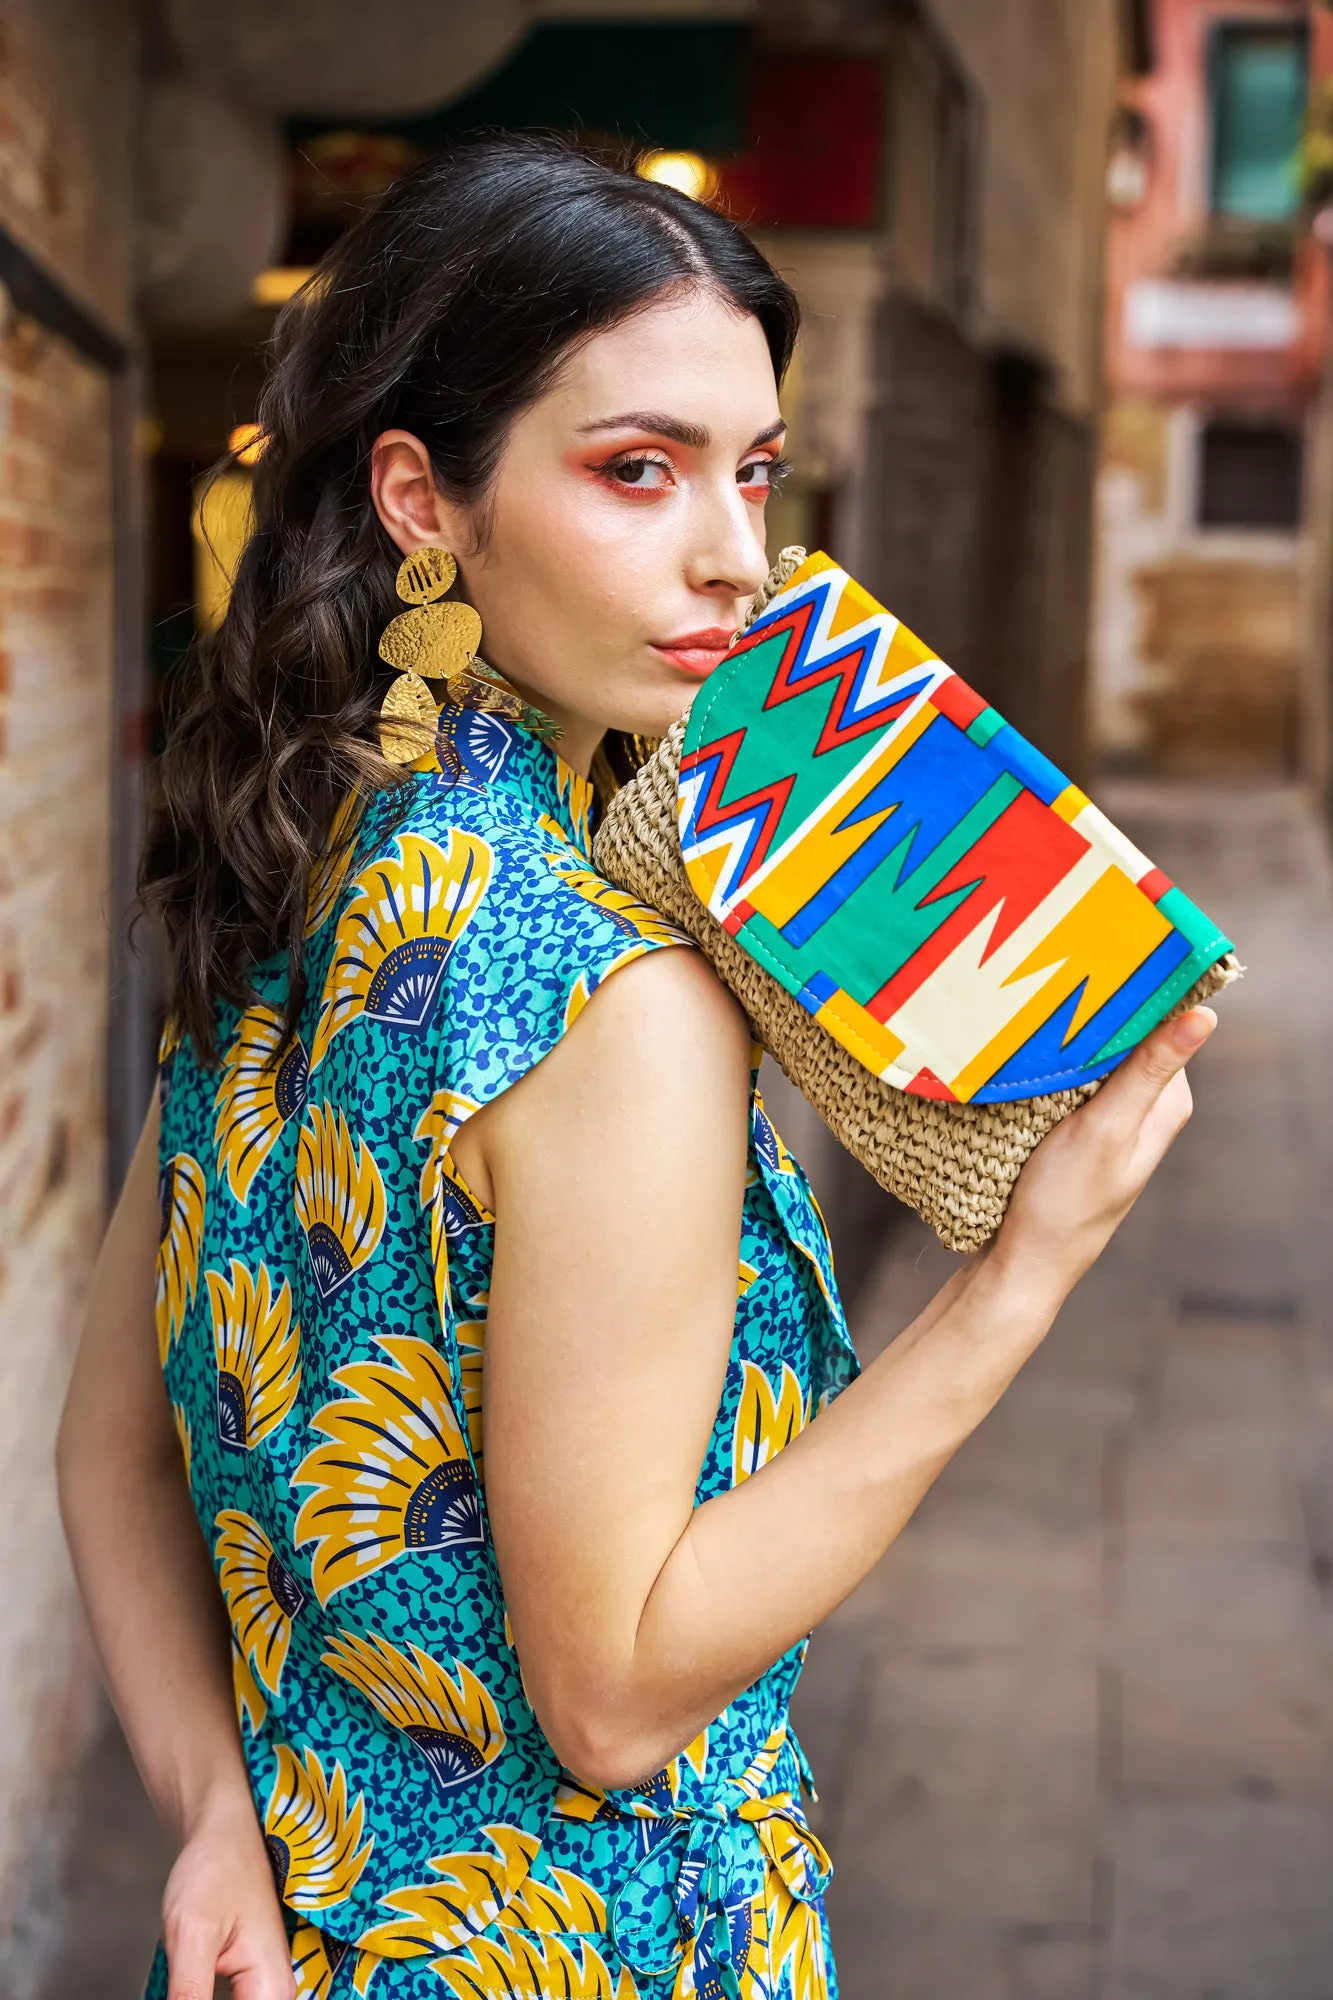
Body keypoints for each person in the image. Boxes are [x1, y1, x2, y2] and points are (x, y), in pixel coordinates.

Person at [56, 137, 1215, 2000]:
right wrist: (1023, 1278)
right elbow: (611, 1697)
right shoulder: (616, 1002)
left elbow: (108, 1451)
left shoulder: (284, 868)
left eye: (750, 471)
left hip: (298, 1929)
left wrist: (213, 1811)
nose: (734, 557)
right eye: (635, 470)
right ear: (424, 499)